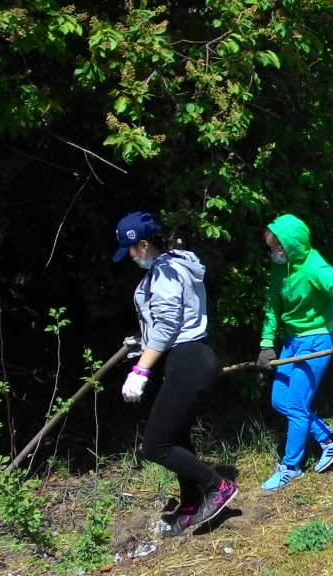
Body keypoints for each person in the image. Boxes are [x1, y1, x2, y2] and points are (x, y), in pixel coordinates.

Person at [112, 211, 237, 538]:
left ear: (143, 244)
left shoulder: (167, 271)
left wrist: (141, 369)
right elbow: (166, 321)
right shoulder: (171, 266)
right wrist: (142, 341)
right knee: (178, 437)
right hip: (184, 359)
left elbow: (169, 326)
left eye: (131, 250)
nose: (130, 257)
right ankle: (192, 504)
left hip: (188, 360)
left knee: (155, 445)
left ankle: (218, 486)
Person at [257, 214, 333, 491]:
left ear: (291, 245)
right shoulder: (282, 269)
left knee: (295, 405)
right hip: (291, 343)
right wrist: (266, 344)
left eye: (277, 248)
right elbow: (273, 307)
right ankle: (330, 440)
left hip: (316, 343)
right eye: (270, 249)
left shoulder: (316, 267)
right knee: (280, 400)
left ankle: (290, 467)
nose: (273, 254)